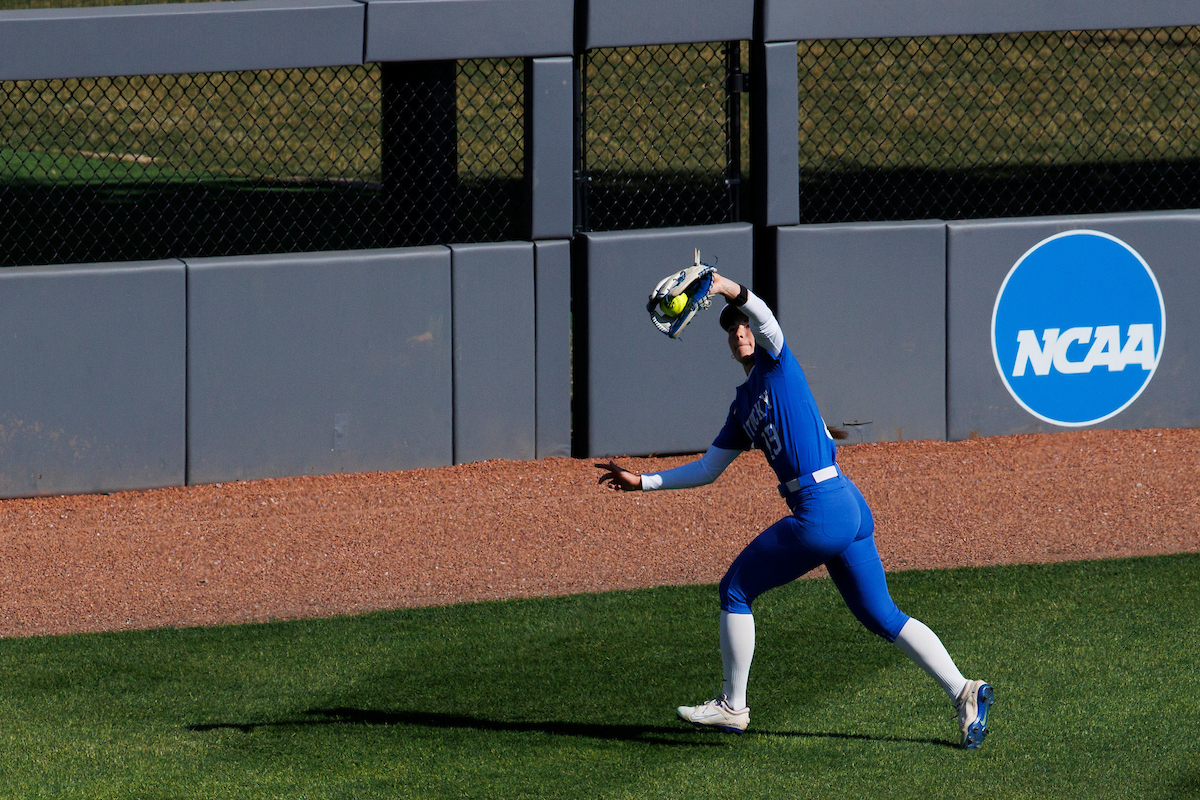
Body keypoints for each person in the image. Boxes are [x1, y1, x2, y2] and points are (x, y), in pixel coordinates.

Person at [596, 273, 995, 748]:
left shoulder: (778, 364)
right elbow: (708, 469)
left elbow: (763, 315)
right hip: (844, 507)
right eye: (731, 329)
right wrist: (643, 482)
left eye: (743, 325)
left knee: (735, 589)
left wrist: (726, 287)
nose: (740, 332)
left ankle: (732, 706)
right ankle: (964, 691)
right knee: (881, 615)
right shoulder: (743, 405)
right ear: (727, 343)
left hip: (823, 509)